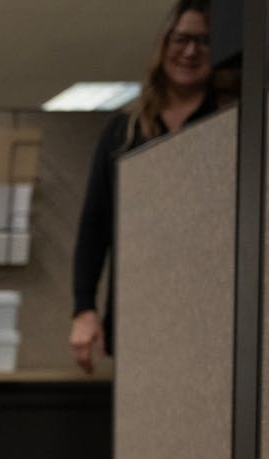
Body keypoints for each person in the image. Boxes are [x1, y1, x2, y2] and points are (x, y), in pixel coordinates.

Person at [70, 0, 219, 374]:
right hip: (136, 312)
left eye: (203, 41)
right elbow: (95, 225)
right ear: (163, 44)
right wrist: (84, 309)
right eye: (181, 39)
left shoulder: (230, 119)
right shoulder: (124, 131)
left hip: (213, 313)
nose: (190, 51)